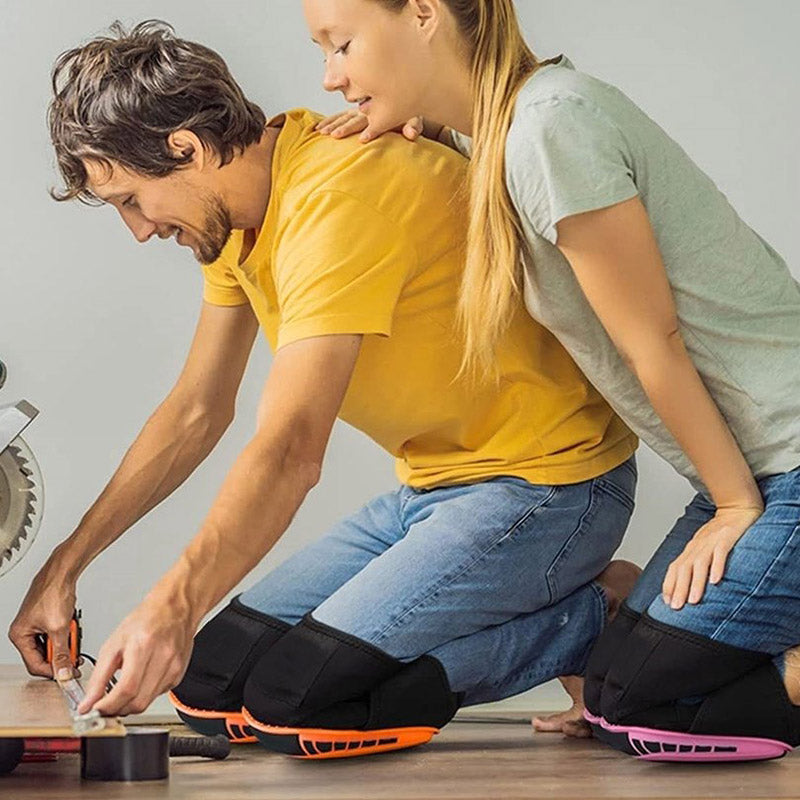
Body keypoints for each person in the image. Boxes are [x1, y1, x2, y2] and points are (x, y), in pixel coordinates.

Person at [8, 21, 641, 760]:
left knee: (303, 705)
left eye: (131, 200)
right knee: (209, 693)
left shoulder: (336, 199)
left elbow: (289, 452)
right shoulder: (239, 217)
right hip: (430, 494)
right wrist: (65, 566)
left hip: (548, 488)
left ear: (186, 147)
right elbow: (194, 411)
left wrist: (172, 604)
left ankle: (598, 616)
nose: (139, 231)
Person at [303, 0, 800, 760]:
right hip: (750, 467)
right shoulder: (501, 130)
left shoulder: (549, 128)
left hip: (781, 462)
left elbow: (652, 339)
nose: (332, 77)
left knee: (651, 707)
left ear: (425, 14)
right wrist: (431, 129)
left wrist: (733, 505)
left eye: (341, 45)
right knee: (613, 700)